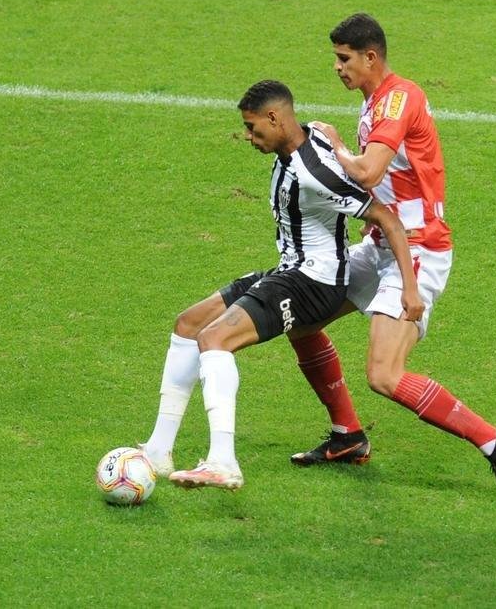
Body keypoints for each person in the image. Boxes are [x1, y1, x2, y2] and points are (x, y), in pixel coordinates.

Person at [289, 12, 496, 507]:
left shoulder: (399, 97)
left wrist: (334, 145)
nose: (337, 67)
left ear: (370, 56)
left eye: (344, 58)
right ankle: (348, 436)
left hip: (416, 252)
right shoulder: (375, 103)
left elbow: (369, 171)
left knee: (384, 374)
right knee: (303, 319)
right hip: (383, 244)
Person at [141, 79, 423, 490]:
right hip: (290, 271)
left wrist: (410, 289)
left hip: (314, 283)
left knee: (215, 339)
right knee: (189, 324)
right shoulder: (306, 139)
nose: (249, 137)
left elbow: (387, 219)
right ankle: (158, 450)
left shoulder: (314, 173)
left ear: (275, 118)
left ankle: (222, 462)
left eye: (253, 127)